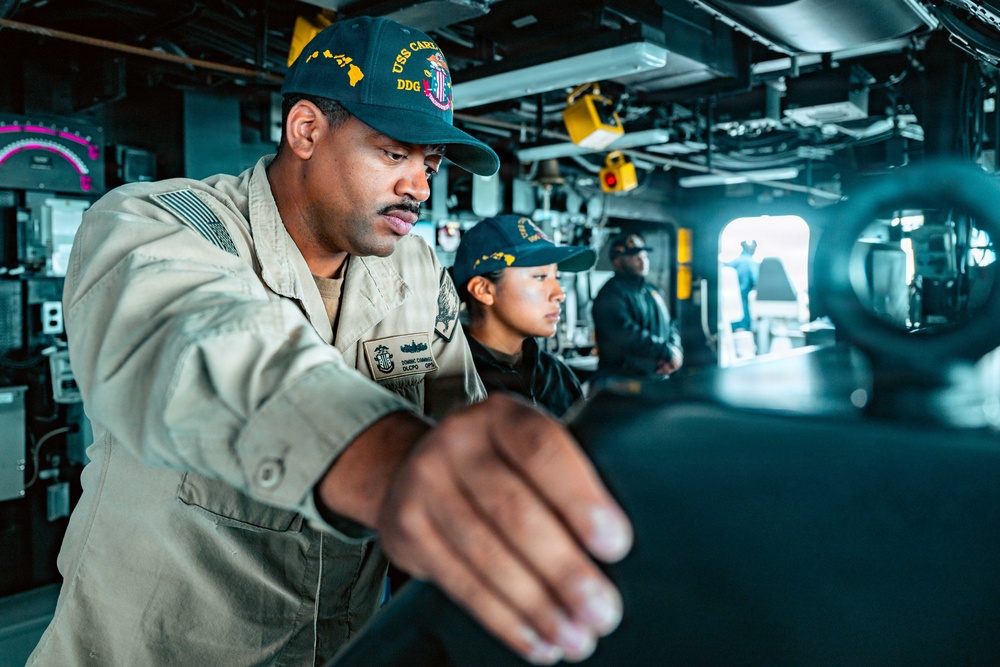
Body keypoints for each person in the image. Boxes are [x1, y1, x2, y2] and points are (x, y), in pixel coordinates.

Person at [28, 17, 632, 667]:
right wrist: (391, 461)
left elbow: (455, 420)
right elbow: (202, 349)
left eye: (429, 163)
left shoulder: (415, 267)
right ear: (307, 131)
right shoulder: (160, 224)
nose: (421, 187)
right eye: (395, 154)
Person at [451, 214, 596, 417]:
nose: (559, 294)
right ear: (483, 290)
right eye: (540, 277)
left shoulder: (558, 375)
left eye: (557, 277)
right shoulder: (453, 382)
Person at [591, 232, 683, 382]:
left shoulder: (653, 291)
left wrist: (675, 350)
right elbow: (626, 333)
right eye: (635, 256)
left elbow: (670, 324)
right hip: (622, 381)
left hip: (656, 376)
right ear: (618, 262)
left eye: (644, 255)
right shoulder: (610, 294)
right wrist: (665, 351)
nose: (642, 260)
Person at [725, 239, 760, 331]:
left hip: (728, 303)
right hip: (742, 301)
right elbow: (756, 281)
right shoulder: (751, 263)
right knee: (743, 328)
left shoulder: (731, 263)